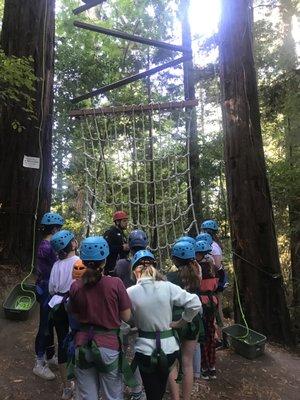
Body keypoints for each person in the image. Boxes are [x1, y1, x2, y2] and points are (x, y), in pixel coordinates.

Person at [127, 250, 201, 400]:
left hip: (145, 351)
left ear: (136, 271)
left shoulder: (131, 292)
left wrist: (131, 328)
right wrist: (182, 322)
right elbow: (195, 303)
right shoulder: (167, 287)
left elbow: (122, 318)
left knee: (152, 392)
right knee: (159, 389)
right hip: (169, 350)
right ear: (155, 268)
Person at [69, 236, 133, 400]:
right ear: (104, 261)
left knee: (87, 395)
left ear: (83, 259)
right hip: (108, 346)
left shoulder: (76, 286)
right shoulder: (115, 284)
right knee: (112, 394)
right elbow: (126, 316)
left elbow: (74, 314)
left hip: (83, 345)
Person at [167, 241, 202, 400]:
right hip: (192, 320)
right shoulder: (197, 276)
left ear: (174, 259)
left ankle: (175, 398)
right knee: (187, 362)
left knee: (173, 363)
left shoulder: (169, 277)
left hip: (174, 320)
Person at [33, 212, 64, 380]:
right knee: (45, 325)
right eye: (59, 229)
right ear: (54, 229)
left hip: (48, 289)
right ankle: (39, 362)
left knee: (50, 322)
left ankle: (50, 355)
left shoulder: (48, 244)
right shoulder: (48, 247)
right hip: (46, 290)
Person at [49, 230, 79, 400]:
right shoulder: (78, 262)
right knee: (77, 340)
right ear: (73, 244)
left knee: (62, 342)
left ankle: (66, 388)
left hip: (58, 305)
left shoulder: (56, 265)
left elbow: (51, 289)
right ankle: (80, 384)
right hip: (74, 304)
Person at [195, 240, 219, 380]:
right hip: (212, 302)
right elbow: (216, 285)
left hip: (202, 303)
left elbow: (196, 285)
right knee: (210, 333)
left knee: (203, 335)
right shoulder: (212, 267)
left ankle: (204, 366)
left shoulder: (197, 268)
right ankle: (212, 366)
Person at [200, 220, 227, 345]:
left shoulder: (214, 247)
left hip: (215, 280)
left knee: (216, 309)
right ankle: (216, 336)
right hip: (213, 279)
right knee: (213, 308)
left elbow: (217, 265)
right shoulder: (212, 244)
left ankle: (222, 338)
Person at [103, 210, 130, 275]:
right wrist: (122, 247)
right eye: (124, 221)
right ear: (117, 222)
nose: (126, 223)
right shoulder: (110, 232)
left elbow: (123, 252)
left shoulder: (123, 234)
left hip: (122, 268)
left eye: (126, 220)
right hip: (111, 269)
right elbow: (105, 248)